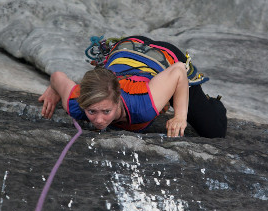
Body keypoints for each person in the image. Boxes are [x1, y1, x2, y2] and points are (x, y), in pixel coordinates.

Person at [38, 36, 227, 138]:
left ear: (118, 100)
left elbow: (178, 71)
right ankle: (162, 91)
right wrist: (54, 89)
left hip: (166, 58)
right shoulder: (76, 102)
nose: (99, 120)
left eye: (106, 111)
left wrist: (179, 117)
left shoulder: (142, 105)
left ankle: (211, 103)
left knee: (214, 131)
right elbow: (57, 76)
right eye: (92, 111)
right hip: (125, 50)